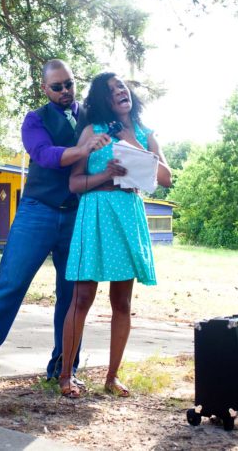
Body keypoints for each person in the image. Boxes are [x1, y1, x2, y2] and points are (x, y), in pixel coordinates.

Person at [0, 59, 112, 381]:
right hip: (37, 211)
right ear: (44, 89)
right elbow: (46, 156)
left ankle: (64, 368)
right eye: (57, 86)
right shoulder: (34, 120)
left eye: (69, 84)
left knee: (72, 295)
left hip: (78, 214)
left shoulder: (91, 120)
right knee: (10, 284)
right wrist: (84, 149)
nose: (65, 91)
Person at [57, 72, 172, 398]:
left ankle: (112, 376)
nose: (120, 91)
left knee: (121, 301)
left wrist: (132, 142)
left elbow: (165, 178)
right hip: (94, 214)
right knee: (81, 298)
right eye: (111, 90)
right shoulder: (92, 132)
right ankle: (66, 376)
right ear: (102, 100)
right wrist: (106, 174)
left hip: (126, 216)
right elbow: (74, 184)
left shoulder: (147, 135)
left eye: (122, 86)